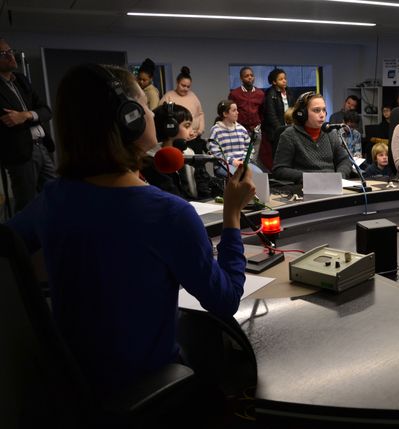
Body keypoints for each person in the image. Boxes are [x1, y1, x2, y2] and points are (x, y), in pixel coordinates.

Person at [5, 64, 256, 396]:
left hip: (72, 379)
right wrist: (232, 215)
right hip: (142, 381)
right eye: (146, 109)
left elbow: (9, 246)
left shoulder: (52, 198)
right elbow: (224, 299)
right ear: (130, 119)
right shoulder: (168, 212)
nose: (153, 116)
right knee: (212, 342)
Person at [0, 37, 56, 214]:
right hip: (20, 152)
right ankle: (25, 241)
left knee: (55, 196)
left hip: (42, 147)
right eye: (4, 53)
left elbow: (46, 110)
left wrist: (25, 115)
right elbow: (7, 120)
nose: (11, 56)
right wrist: (33, 115)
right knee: (27, 205)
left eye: (10, 51)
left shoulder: (21, 80)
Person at [272, 92, 353, 183]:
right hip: (304, 188)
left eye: (324, 110)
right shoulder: (290, 135)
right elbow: (279, 169)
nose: (322, 115)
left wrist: (340, 176)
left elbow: (344, 160)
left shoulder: (330, 133)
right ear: (302, 114)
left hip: (332, 186)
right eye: (316, 110)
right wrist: (309, 178)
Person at [159, 66, 205, 147]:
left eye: (188, 86)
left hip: (194, 138)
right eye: (183, 85)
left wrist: (199, 131)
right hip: (177, 141)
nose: (186, 89)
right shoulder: (168, 96)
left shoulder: (193, 96)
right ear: (177, 83)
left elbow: (200, 114)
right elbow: (161, 118)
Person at [228, 66, 264, 164]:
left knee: (254, 159)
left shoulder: (260, 93)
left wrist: (259, 124)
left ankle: (252, 177)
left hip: (256, 130)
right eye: (246, 76)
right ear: (241, 78)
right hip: (240, 130)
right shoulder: (235, 94)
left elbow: (262, 111)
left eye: (251, 75)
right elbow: (231, 111)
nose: (249, 77)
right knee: (241, 159)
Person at [208, 100, 251, 177]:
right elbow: (215, 153)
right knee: (239, 176)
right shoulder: (216, 130)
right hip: (224, 165)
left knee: (259, 174)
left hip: (243, 164)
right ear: (225, 114)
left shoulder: (242, 129)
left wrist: (244, 161)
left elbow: (249, 148)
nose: (237, 112)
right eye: (234, 110)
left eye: (237, 110)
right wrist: (232, 161)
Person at [262, 68, 294, 157]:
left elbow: (293, 109)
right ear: (274, 82)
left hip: (289, 127)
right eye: (280, 79)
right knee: (278, 155)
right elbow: (271, 115)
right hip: (276, 131)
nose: (284, 81)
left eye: (285, 78)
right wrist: (281, 130)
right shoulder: (270, 94)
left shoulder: (289, 92)